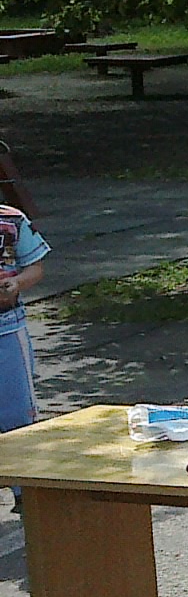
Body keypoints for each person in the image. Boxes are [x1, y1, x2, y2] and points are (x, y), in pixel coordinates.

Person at [0, 198, 52, 466]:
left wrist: (17, 283)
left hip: (7, 327)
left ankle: (21, 480)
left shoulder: (12, 219)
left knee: (18, 413)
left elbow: (36, 267)